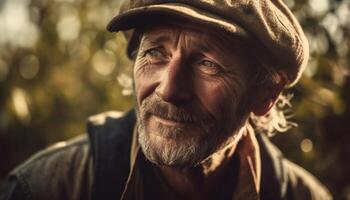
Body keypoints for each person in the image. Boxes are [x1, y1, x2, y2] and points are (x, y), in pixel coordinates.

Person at [1, 0, 332, 200]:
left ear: (265, 95)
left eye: (208, 64)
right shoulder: (48, 188)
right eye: (155, 53)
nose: (169, 89)